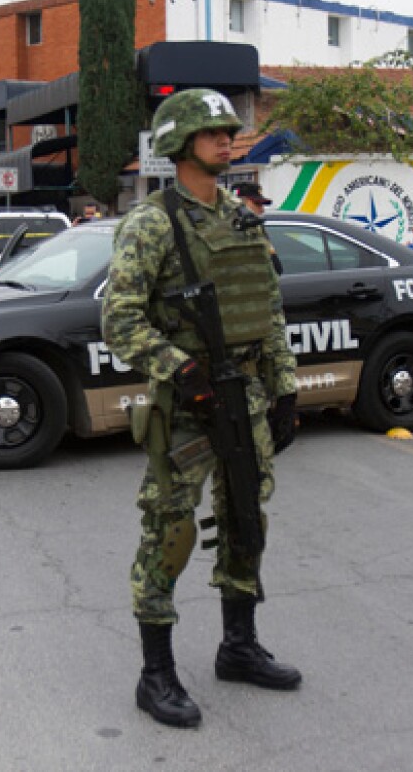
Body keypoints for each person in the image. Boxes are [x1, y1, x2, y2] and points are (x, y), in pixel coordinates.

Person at [102, 88, 302, 729]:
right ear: (180, 142)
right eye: (213, 132)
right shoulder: (152, 222)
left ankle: (238, 646)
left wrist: (285, 387)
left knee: (247, 515)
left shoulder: (242, 217)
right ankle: (155, 673)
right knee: (170, 530)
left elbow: (268, 309)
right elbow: (118, 320)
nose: (226, 140)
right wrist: (180, 370)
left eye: (228, 131)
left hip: (245, 396)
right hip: (188, 404)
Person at [230, 181, 284, 274]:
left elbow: (276, 268)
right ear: (239, 204)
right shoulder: (227, 232)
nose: (262, 209)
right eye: (257, 204)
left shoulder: (256, 229)